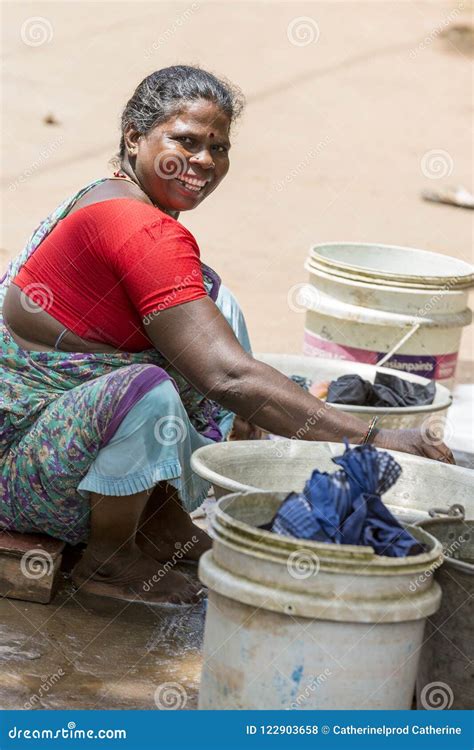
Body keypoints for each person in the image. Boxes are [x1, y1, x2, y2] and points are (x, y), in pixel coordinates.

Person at [0, 66, 454, 605]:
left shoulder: (112, 197)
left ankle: (160, 520)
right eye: (186, 142)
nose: (204, 163)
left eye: (219, 148)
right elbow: (227, 374)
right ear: (133, 137)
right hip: (25, 472)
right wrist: (374, 438)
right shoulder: (136, 226)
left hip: (50, 434)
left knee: (212, 301)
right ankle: (109, 556)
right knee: (148, 390)